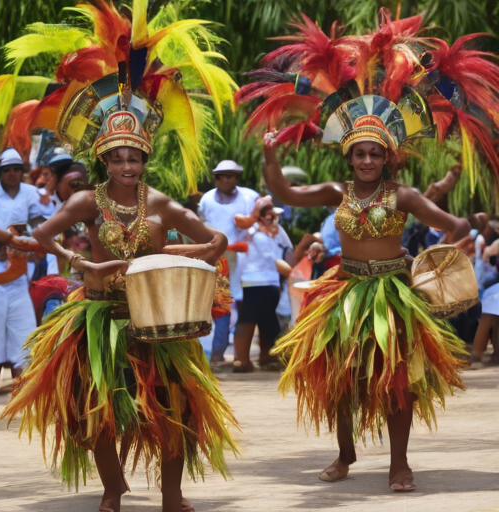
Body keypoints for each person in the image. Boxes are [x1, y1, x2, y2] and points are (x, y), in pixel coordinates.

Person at [234, 10, 499, 492]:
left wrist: (439, 257)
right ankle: (344, 454)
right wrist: (271, 158)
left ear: (388, 156)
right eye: (360, 152)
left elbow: (456, 224)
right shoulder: (336, 191)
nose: (368, 159)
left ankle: (400, 463)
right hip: (345, 290)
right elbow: (288, 195)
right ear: (349, 155)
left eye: (376, 153)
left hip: (395, 293)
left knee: (398, 385)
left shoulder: (405, 196)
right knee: (341, 380)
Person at [0, 3, 239, 512]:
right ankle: (112, 489)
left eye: (135, 157)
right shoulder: (86, 201)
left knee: (176, 409)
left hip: (159, 319)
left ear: (146, 158)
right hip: (99, 318)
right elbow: (41, 236)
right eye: (117, 157)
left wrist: (166, 255)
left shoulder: (163, 204)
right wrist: (86, 266)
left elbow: (215, 242)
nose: (127, 164)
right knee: (95, 412)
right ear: (103, 159)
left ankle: (172, 496)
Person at [0, 148, 53, 395]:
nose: (12, 173)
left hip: (24, 270)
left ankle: (23, 386)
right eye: (7, 170)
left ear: (22, 171)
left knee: (24, 328)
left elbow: (44, 221)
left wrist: (30, 237)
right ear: (1, 172)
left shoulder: (33, 193)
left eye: (16, 169)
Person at [198, 160, 259, 363]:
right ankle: (216, 353)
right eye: (221, 176)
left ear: (237, 178)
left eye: (230, 175)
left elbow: (263, 215)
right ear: (215, 178)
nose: (225, 180)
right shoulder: (207, 199)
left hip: (244, 259)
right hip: (215, 260)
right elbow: (200, 227)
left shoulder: (249, 197)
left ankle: (242, 354)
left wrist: (251, 221)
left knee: (244, 303)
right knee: (218, 304)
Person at [233, 203, 290, 372]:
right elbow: (273, 259)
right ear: (260, 217)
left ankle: (266, 356)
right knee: (248, 319)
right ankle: (242, 360)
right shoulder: (255, 235)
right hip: (256, 282)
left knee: (268, 320)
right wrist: (291, 272)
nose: (272, 219)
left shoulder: (272, 235)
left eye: (274, 216)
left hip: (270, 282)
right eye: (269, 216)